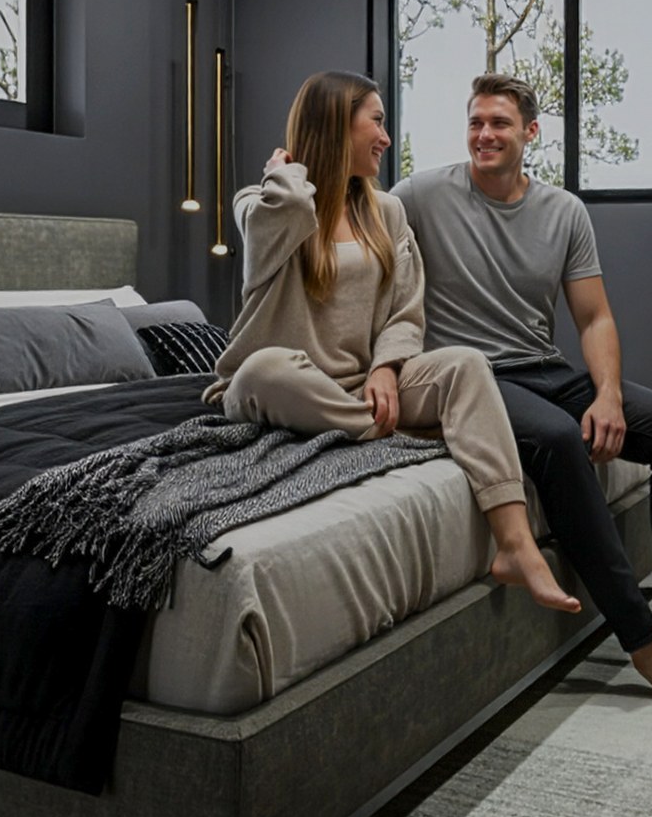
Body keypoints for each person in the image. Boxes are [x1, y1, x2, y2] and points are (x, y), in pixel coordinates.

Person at [394, 74, 652, 709]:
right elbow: (354, 216)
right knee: (558, 439)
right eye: (475, 122)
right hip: (473, 379)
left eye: (499, 123)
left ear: (530, 133)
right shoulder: (421, 195)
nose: (484, 135)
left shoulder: (563, 211)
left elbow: (594, 318)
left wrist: (608, 395)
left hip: (545, 367)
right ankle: (645, 643)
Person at [208, 69, 578, 615]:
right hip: (277, 385)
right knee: (265, 368)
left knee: (465, 364)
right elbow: (286, 214)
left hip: (362, 384)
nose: (385, 137)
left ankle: (516, 545)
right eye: (376, 122)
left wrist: (386, 367)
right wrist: (284, 173)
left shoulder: (387, 212)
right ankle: (391, 429)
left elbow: (407, 311)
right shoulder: (260, 203)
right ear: (336, 126)